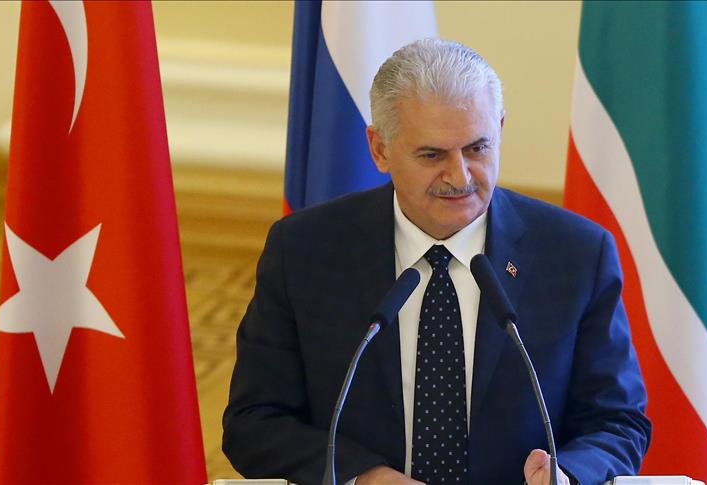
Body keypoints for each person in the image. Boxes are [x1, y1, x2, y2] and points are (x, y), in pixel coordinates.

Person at [223, 39, 650, 485]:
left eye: (477, 148)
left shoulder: (576, 254)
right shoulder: (305, 251)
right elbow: (254, 422)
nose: (460, 176)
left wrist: (565, 476)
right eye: (432, 155)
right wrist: (363, 477)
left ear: (500, 129)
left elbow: (618, 422)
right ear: (379, 149)